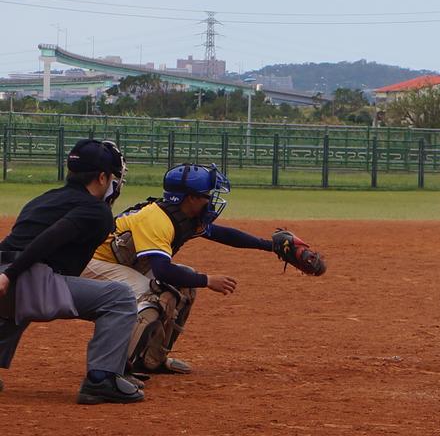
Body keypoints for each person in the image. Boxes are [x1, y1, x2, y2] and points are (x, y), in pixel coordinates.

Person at [82, 162, 324, 375]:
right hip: (95, 264)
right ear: (190, 198)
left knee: (183, 286)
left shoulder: (185, 216)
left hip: (122, 264)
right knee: (154, 296)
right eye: (206, 194)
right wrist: (207, 279)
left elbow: (222, 234)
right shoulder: (157, 219)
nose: (211, 200)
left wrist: (269, 246)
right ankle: (115, 370)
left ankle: (152, 360)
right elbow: (162, 271)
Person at [0, 139, 143, 404]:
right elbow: (51, 237)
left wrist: (8, 273)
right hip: (20, 276)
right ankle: (101, 379)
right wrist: (10, 275)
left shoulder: (45, 198)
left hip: (9, 273)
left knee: (14, 308)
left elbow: (16, 241)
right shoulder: (96, 210)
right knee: (120, 298)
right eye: (112, 177)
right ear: (102, 177)